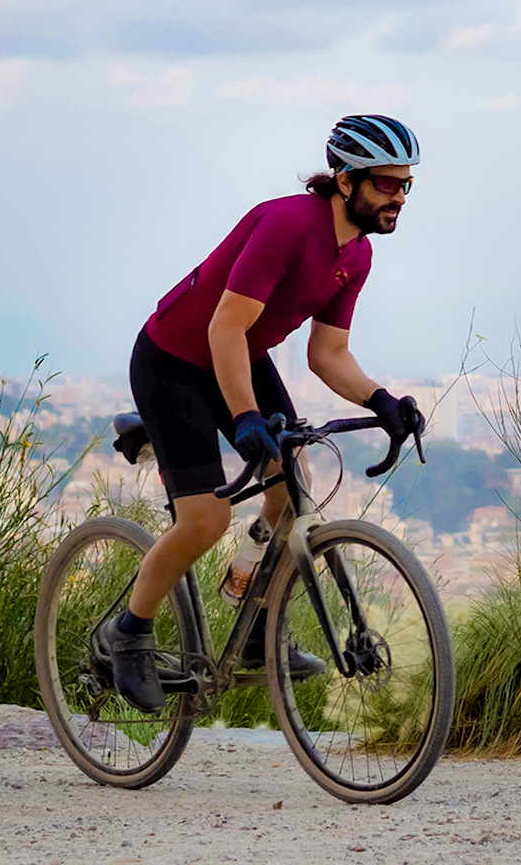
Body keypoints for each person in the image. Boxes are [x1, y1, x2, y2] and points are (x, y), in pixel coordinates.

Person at [97, 114, 426, 712]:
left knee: (288, 488)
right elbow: (224, 326)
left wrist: (382, 402)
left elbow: (329, 353)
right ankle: (129, 631)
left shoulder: (358, 255)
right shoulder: (286, 224)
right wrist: (246, 417)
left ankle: (253, 629)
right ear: (346, 181)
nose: (399, 197)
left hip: (239, 355)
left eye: (406, 185)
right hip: (175, 360)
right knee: (203, 521)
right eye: (386, 183)